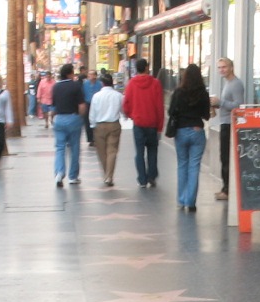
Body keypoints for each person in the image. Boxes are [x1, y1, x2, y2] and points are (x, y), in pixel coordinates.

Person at [168, 63, 212, 212]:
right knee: (194, 166)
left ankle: (181, 200)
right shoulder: (203, 93)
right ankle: (191, 202)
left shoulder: (178, 92)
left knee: (182, 165)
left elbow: (171, 111)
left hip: (180, 131)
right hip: (197, 130)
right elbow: (206, 115)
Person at [122, 58, 165, 187]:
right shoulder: (155, 83)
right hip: (152, 123)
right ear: (147, 67)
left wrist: (132, 115)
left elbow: (126, 104)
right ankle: (151, 176)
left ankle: (142, 179)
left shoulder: (132, 83)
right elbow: (159, 106)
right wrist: (160, 126)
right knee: (152, 150)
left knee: (139, 152)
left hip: (138, 124)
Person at [209, 57, 245, 200]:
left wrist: (220, 102)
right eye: (219, 67)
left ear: (231, 67)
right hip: (225, 122)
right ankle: (225, 187)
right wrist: (217, 104)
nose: (221, 70)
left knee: (226, 157)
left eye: (224, 67)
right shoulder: (228, 83)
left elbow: (238, 105)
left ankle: (227, 190)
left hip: (230, 124)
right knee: (224, 157)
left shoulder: (236, 84)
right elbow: (229, 104)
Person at [50, 63, 86, 186]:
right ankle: (73, 176)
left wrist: (52, 118)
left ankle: (59, 173)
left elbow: (53, 107)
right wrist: (80, 117)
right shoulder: (75, 86)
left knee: (60, 147)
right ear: (69, 73)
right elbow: (81, 106)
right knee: (74, 148)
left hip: (59, 119)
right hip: (73, 118)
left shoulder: (55, 87)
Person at [89, 71, 124, 186]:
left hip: (99, 125)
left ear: (102, 84)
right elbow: (123, 111)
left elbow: (92, 113)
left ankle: (106, 174)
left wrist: (92, 125)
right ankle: (109, 176)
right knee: (112, 151)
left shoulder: (96, 96)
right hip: (114, 124)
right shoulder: (118, 96)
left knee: (102, 152)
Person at [82, 70, 102, 145]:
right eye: (89, 75)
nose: (91, 76)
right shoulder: (85, 84)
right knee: (87, 121)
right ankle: (90, 139)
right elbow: (83, 94)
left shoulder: (99, 84)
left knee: (97, 121)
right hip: (88, 103)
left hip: (97, 104)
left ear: (96, 76)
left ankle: (96, 137)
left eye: (93, 74)